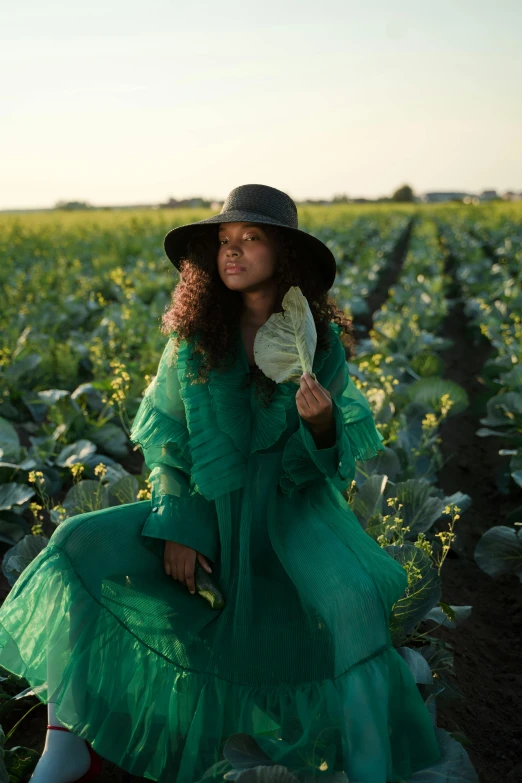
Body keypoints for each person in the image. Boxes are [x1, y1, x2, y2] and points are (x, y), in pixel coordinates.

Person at [0, 184, 441, 783]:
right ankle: (67, 740)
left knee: (352, 605)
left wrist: (322, 426)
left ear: (283, 254)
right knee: (77, 542)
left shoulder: (321, 343)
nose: (231, 252)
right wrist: (179, 524)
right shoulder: (193, 342)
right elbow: (167, 446)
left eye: (250, 239)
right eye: (224, 242)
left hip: (291, 516)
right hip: (204, 507)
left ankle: (368, 758)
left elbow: (330, 471)